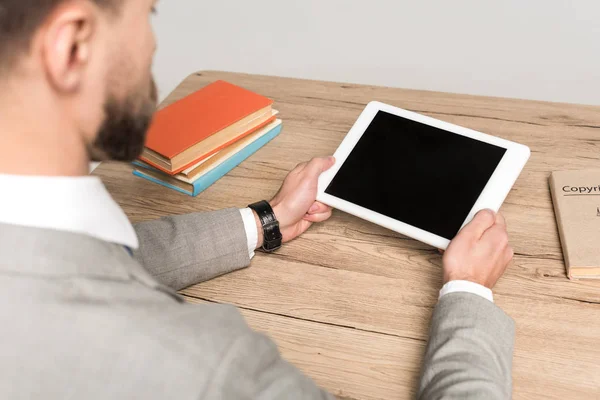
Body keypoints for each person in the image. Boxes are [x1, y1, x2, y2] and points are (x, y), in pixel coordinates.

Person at [0, 1, 515, 399]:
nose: (152, 43)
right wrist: (468, 295)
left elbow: (81, 261)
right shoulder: (203, 367)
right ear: (71, 47)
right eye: (145, 13)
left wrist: (263, 221)